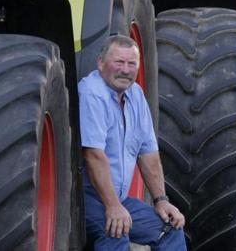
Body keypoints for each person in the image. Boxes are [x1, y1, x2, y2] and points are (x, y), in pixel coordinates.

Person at [79, 35, 187, 250]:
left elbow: (148, 153)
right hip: (88, 198)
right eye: (119, 62)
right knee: (116, 230)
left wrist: (161, 200)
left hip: (119, 199)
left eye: (132, 64)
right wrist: (112, 206)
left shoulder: (135, 94)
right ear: (101, 63)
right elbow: (94, 156)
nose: (126, 70)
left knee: (170, 228)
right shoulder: (91, 93)